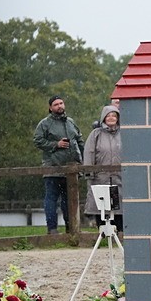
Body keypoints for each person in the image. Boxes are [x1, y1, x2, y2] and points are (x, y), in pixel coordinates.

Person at [33, 95, 85, 234]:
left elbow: (80, 140)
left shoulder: (71, 122)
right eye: (56, 104)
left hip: (71, 168)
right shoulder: (44, 123)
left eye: (61, 103)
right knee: (51, 199)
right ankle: (52, 229)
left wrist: (83, 160)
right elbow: (37, 141)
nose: (59, 106)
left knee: (69, 200)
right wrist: (56, 144)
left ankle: (71, 228)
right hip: (53, 168)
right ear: (50, 108)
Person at [83, 104, 123, 232]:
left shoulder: (124, 133)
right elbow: (89, 153)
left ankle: (120, 233)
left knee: (119, 205)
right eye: (108, 115)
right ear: (103, 118)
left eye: (114, 115)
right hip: (101, 176)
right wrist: (89, 172)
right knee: (102, 205)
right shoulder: (96, 134)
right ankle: (103, 234)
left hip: (119, 176)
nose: (111, 118)